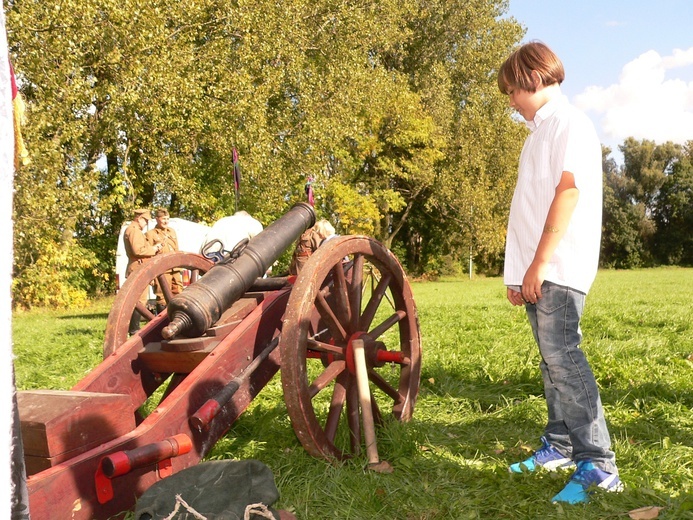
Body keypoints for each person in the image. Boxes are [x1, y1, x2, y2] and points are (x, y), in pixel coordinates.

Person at [497, 41, 621, 504]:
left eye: (511, 90)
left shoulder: (570, 124)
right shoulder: (537, 135)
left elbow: (568, 195)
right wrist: (518, 273)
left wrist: (539, 264)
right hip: (537, 270)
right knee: (552, 365)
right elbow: (527, 210)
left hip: (558, 267)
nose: (510, 101)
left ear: (531, 79)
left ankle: (600, 466)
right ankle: (561, 446)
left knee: (565, 362)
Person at [123, 209, 163, 334]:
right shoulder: (134, 231)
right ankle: (134, 329)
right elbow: (138, 251)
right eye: (145, 220)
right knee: (139, 300)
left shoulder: (134, 230)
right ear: (139, 218)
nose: (146, 223)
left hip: (138, 266)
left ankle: (133, 328)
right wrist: (154, 248)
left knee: (140, 299)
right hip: (137, 267)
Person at [146, 208, 182, 313]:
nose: (166, 221)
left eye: (167, 219)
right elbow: (149, 255)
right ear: (157, 219)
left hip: (175, 268)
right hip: (162, 270)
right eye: (163, 219)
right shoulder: (151, 234)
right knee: (162, 297)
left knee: (178, 293)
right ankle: (162, 321)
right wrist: (151, 275)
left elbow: (176, 249)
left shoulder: (172, 232)